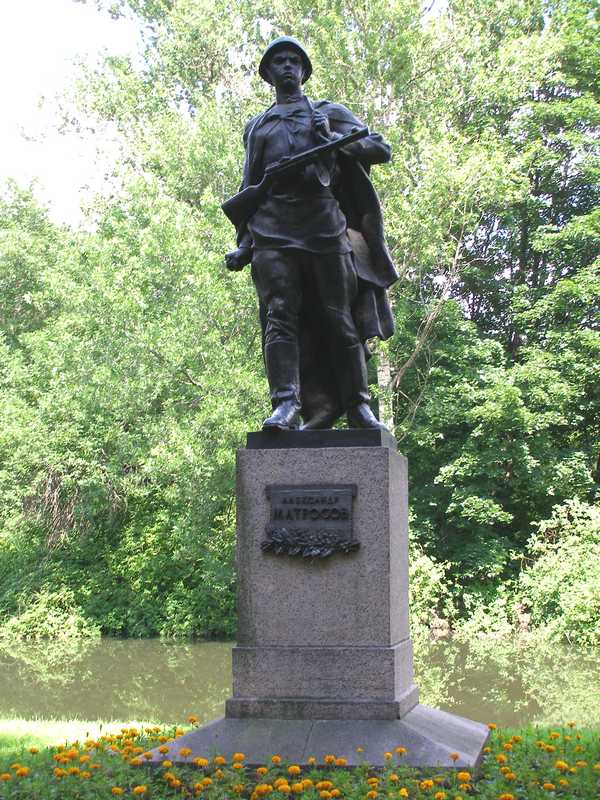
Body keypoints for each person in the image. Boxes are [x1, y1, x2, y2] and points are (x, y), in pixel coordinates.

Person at [224, 37, 398, 431]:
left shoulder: (328, 113)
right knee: (279, 317)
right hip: (272, 231)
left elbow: (379, 150)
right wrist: (244, 245)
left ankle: (358, 406)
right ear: (268, 74)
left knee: (339, 318)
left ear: (304, 71)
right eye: (278, 62)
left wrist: (332, 140)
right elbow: (251, 187)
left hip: (323, 226)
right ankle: (285, 405)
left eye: (293, 61)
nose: (287, 66)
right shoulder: (258, 127)